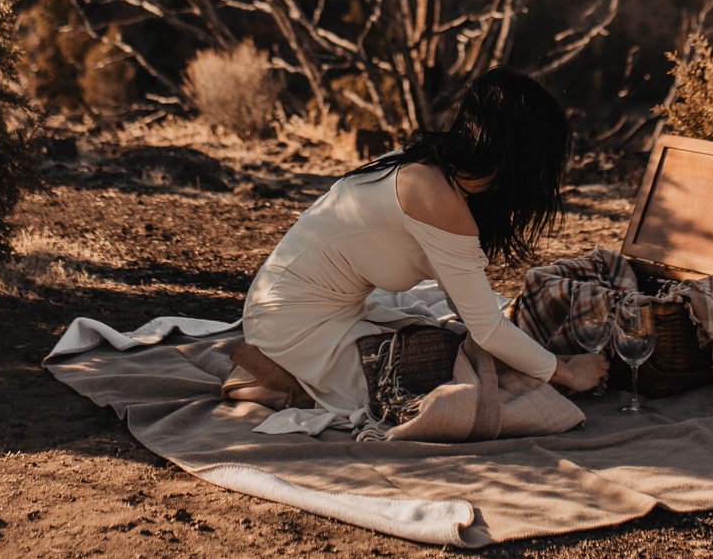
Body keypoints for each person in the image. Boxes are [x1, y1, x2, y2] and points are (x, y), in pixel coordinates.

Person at [223, 68, 608, 416]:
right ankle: (285, 385)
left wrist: (515, 343)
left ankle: (289, 373)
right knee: (446, 379)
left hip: (298, 308)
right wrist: (566, 371)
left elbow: (468, 307)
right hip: (292, 321)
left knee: (459, 348)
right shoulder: (437, 197)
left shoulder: (429, 164)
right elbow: (486, 329)